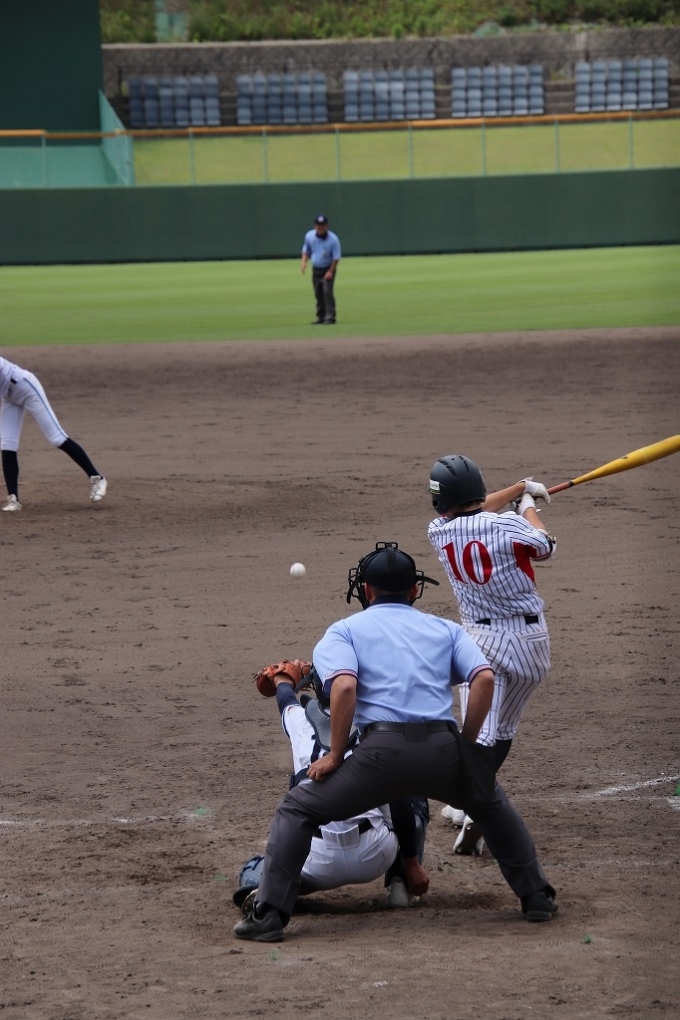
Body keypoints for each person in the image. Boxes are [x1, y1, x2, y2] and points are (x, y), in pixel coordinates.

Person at [234, 541, 558, 943]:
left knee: (297, 809)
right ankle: (537, 896)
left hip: (379, 756)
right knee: (490, 803)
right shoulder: (446, 629)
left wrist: (335, 755)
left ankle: (268, 915)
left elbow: (344, 688)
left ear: (367, 590)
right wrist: (467, 746)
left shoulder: (344, 631)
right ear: (414, 590)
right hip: (442, 747)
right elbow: (484, 679)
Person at [427, 455, 555, 856]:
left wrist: (519, 489)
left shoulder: (437, 531)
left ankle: (474, 804)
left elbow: (472, 510)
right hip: (530, 642)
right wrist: (527, 504)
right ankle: (470, 802)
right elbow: (545, 545)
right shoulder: (509, 525)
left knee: (478, 731)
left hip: (479, 641)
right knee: (501, 731)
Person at [233, 664, 429, 913]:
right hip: (374, 854)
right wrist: (411, 861)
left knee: (255, 868)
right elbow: (400, 801)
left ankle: (274, 890)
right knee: (409, 787)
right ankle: (402, 882)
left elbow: (285, 699)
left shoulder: (299, 720)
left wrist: (283, 679)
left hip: (316, 861)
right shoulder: (377, 726)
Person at [0, 355, 107, 512]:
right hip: (9, 397)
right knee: (7, 445)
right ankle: (13, 499)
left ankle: (97, 478)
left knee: (56, 437)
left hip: (25, 387)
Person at [300, 214, 341, 325]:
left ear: (327, 226)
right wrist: (303, 262)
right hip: (316, 269)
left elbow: (336, 258)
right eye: (318, 225)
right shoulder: (310, 236)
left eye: (323, 225)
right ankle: (321, 316)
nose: (321, 227)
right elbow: (306, 250)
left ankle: (330, 317)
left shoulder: (333, 239)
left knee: (327, 292)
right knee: (318, 293)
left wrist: (330, 271)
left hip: (328, 268)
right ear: (315, 226)